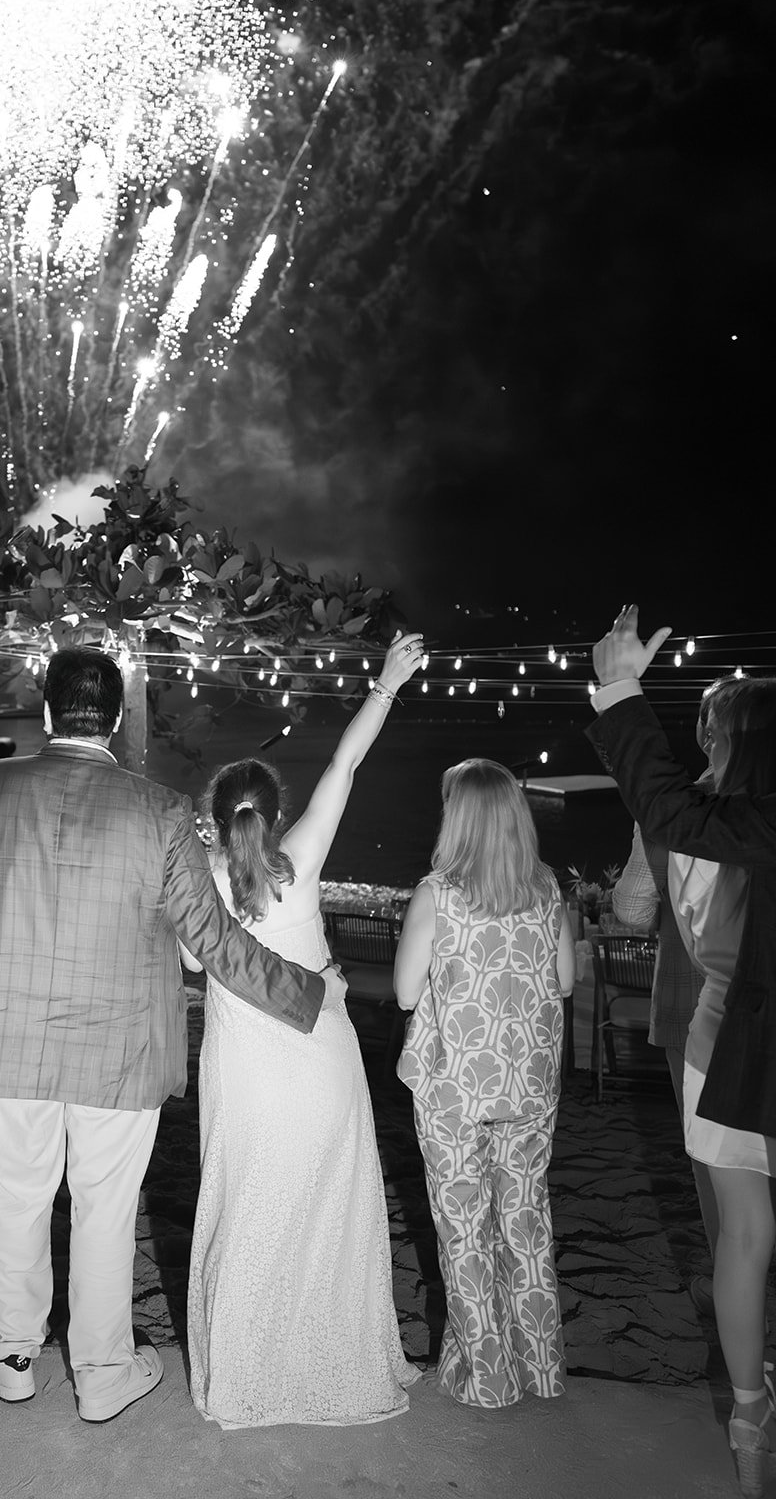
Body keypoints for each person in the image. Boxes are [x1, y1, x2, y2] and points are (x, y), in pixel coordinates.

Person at [0, 647, 343, 1424]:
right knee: (106, 1210)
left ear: (47, 712)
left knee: (13, 1200)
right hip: (120, 1050)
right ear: (115, 721)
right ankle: (103, 1372)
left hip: (12, 1034)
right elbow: (214, 941)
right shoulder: (159, 811)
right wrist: (308, 992)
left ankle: (12, 1357)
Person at [183, 630, 424, 1429]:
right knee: (328, 1213)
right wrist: (387, 683)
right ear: (276, 815)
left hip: (244, 1072)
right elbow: (344, 766)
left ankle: (246, 1381)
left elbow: (191, 957)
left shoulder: (198, 888)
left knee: (248, 1210)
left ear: (215, 824)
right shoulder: (305, 858)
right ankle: (334, 1366)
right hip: (320, 1058)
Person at [587, 610, 776, 1495]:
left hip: (712, 1026)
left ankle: (749, 1413)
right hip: (728, 1027)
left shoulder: (683, 820)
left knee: (740, 1235)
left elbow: (633, 910)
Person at [394, 758, 575, 1409]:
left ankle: (490, 1378)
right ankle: (541, 1369)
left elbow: (405, 992)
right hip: (527, 1083)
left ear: (458, 817)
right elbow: (565, 981)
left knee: (464, 1228)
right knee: (525, 1221)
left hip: (456, 1089)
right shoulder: (547, 888)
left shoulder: (437, 893)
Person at [610, 678, 742, 1311]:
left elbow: (634, 910)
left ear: (704, 736)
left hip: (690, 1004)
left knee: (714, 1169)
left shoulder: (669, 811)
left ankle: (732, 1290)